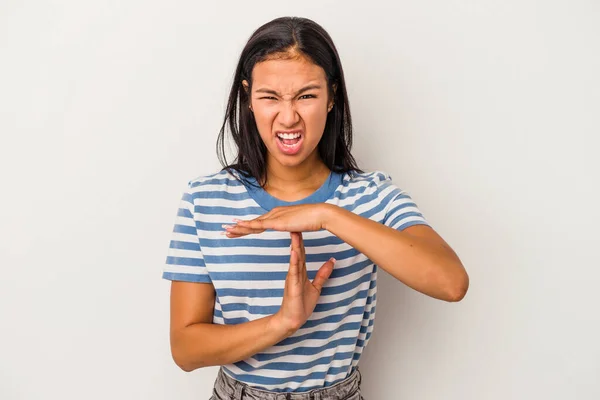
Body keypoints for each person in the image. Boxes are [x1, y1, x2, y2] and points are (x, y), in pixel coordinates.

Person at [163, 16, 469, 400]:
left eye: (306, 95)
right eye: (270, 97)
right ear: (248, 97)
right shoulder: (204, 199)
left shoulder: (372, 197)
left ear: (332, 97)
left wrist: (325, 215)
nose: (288, 117)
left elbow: (450, 282)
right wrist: (283, 323)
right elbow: (186, 349)